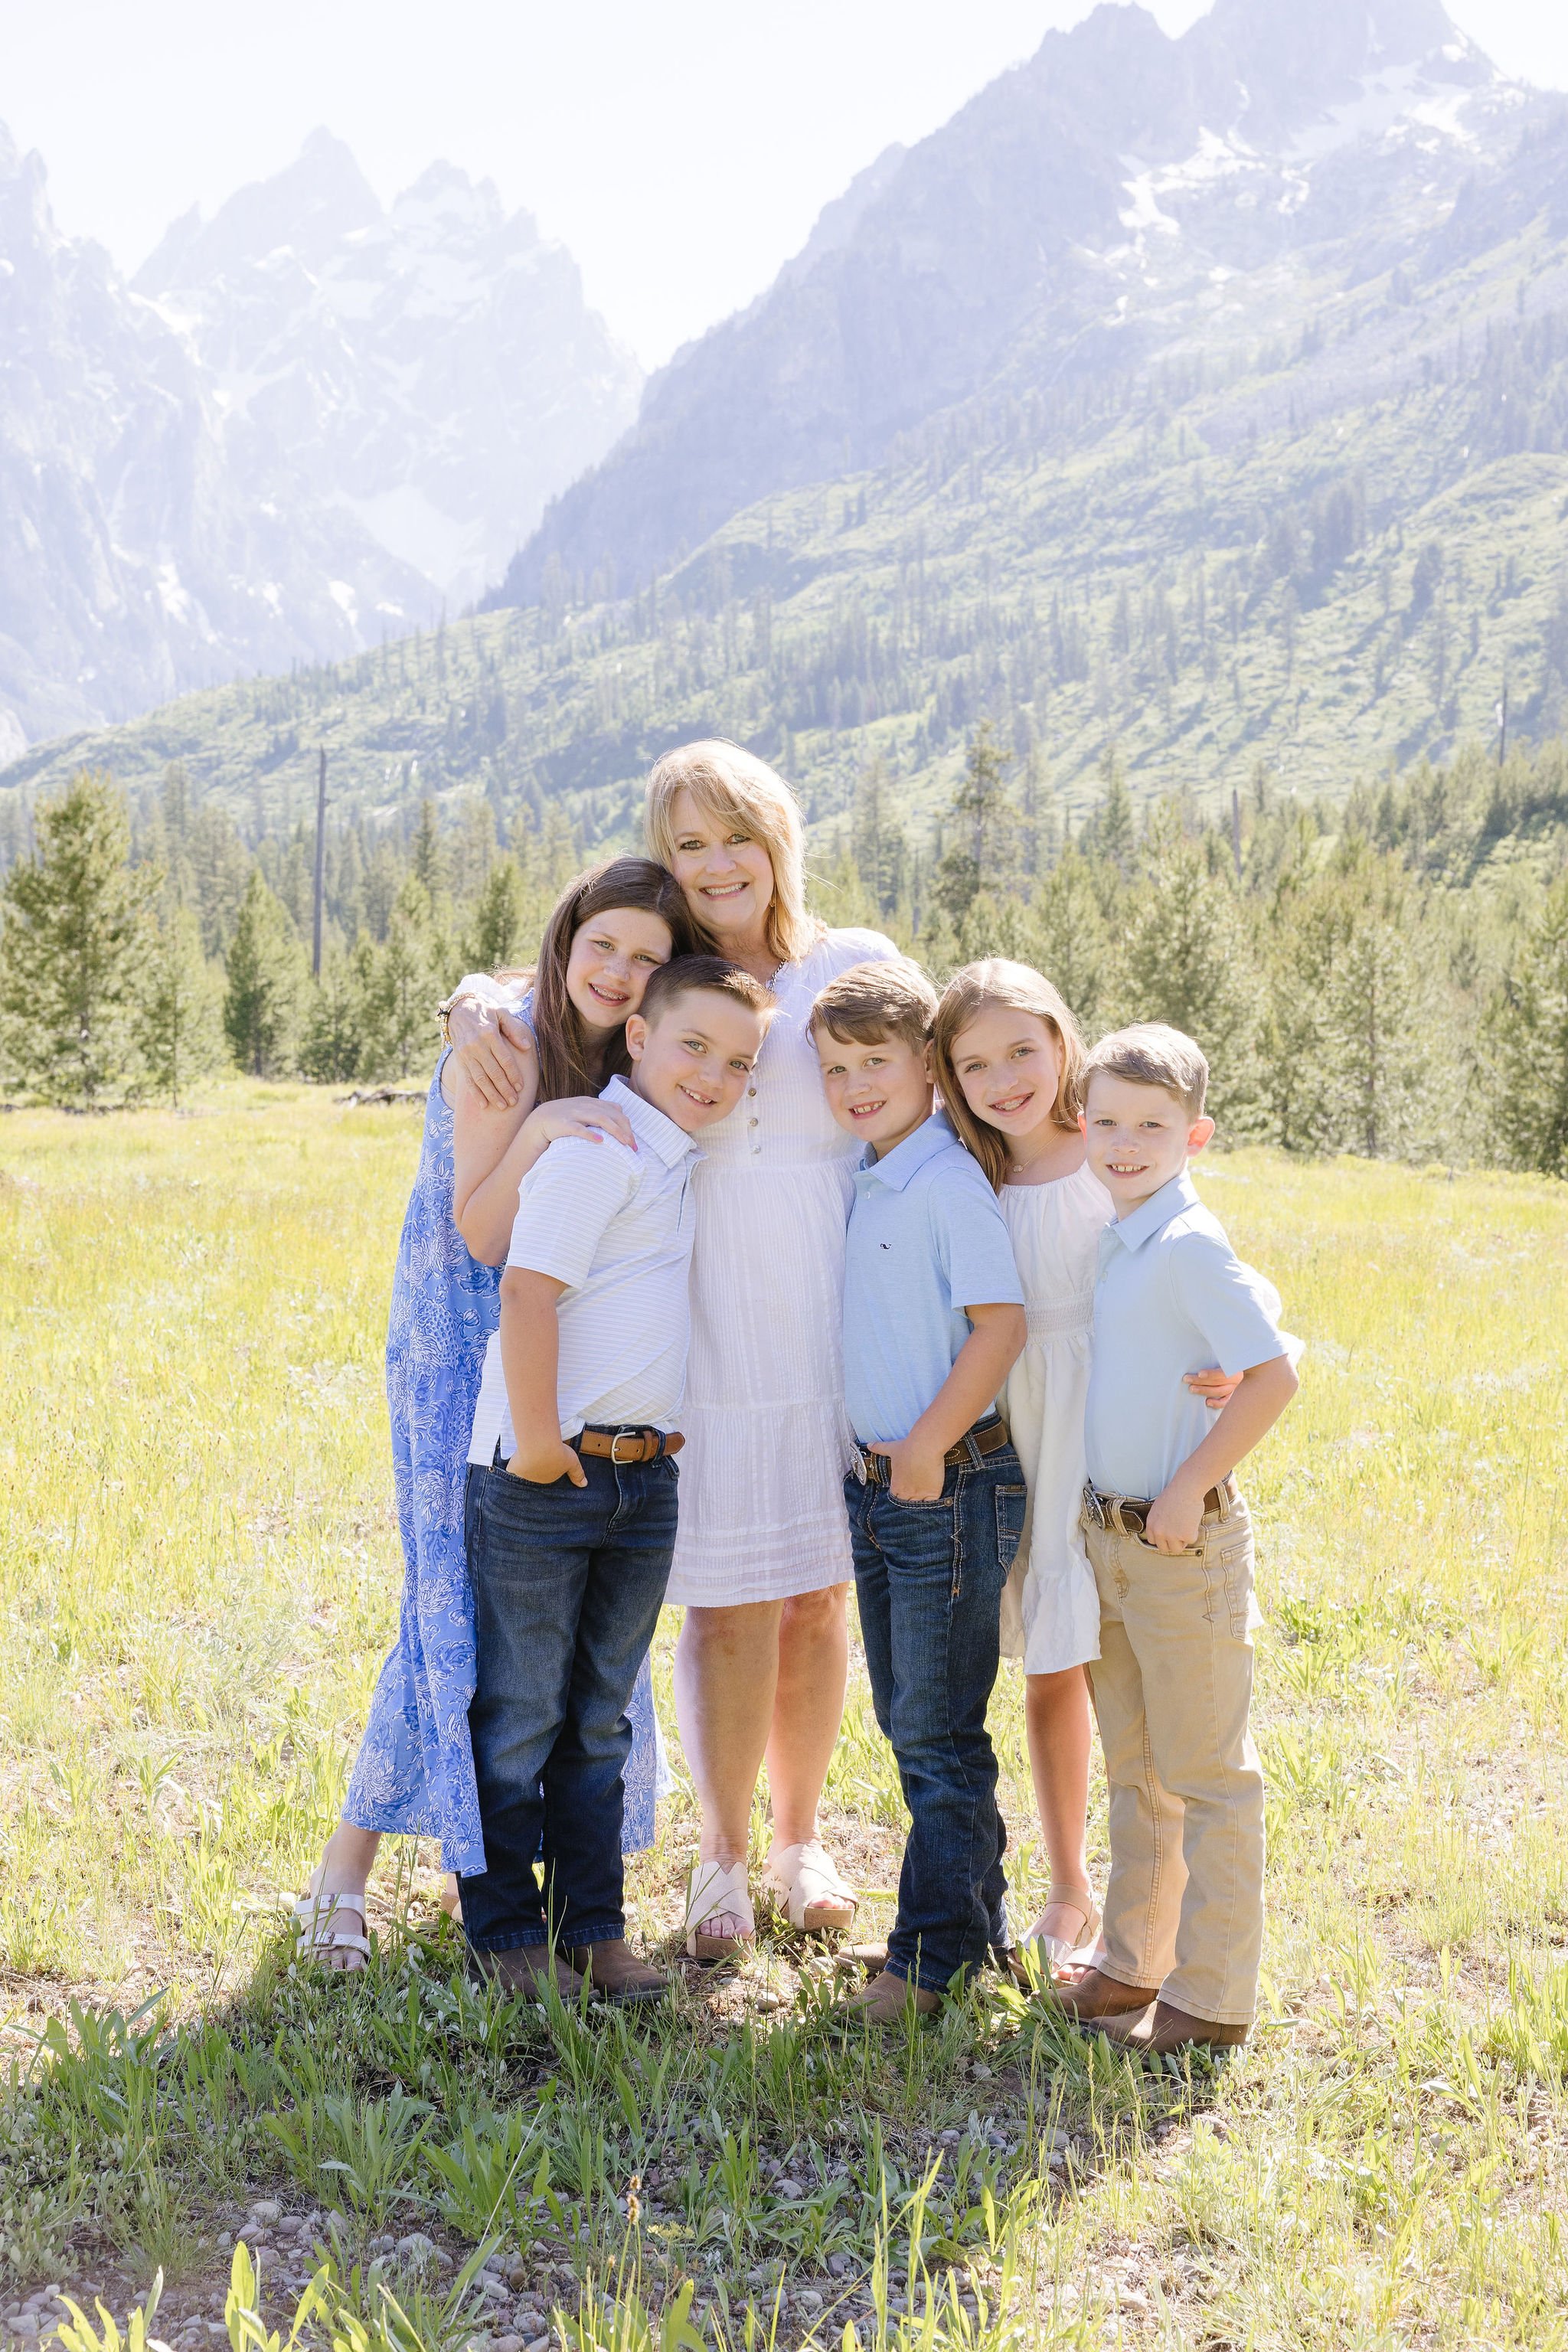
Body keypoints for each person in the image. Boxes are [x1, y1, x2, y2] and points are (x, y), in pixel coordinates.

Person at [450, 743, 900, 1960]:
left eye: (735, 838)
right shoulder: (669, 974)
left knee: (816, 1594)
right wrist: (476, 996)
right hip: (696, 1302)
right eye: (687, 842)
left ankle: (803, 1842)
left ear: (779, 842)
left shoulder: (847, 965)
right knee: (723, 1599)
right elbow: (569, 974)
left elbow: (956, 1060)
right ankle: (723, 1858)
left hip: (829, 1291)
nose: (714, 866)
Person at [292, 858, 690, 1969]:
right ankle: (345, 1871)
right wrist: (555, 1119)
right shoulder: (505, 1044)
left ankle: (575, 1896)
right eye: (603, 943)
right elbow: (480, 1234)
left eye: (648, 960)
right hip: (462, 1338)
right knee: (448, 1603)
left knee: (560, 1632)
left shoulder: (631, 1052)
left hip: (571, 1338)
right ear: (567, 933)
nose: (620, 973)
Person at [461, 956, 773, 2003]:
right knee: (520, 1714)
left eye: (738, 1062)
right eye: (693, 1046)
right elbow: (529, 1293)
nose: (714, 1074)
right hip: (547, 1475)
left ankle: (591, 1927)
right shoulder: (602, 1147)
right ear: (636, 1036)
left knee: (601, 1716)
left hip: (643, 1480)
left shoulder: (679, 1155)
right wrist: (545, 1445)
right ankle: (506, 1935)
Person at [933, 960, 1237, 1973]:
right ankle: (1068, 1886)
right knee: (1050, 1656)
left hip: (1104, 1417)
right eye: (974, 1062)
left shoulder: (1111, 1146)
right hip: (1013, 1424)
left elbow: (1190, 1262)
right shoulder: (962, 1165)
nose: (1005, 1076)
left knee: (1125, 1666)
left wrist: (1224, 1366)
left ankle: (1146, 1895)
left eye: (1024, 1047)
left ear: (1064, 1038)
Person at [1057, 1024, 1298, 2056]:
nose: (1124, 1142)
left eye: (1150, 1126)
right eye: (1106, 1121)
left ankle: (1209, 2000)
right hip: (1110, 1534)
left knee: (1207, 1775)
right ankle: (1129, 1967)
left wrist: (1189, 1487)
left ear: (1194, 1134)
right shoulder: (1122, 1233)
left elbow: (1276, 1373)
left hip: (1175, 1539)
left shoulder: (1188, 1241)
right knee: (1137, 1766)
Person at [809, 959, 1027, 2022]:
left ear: (929, 1071)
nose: (854, 1084)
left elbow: (1001, 1325)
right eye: (835, 1067)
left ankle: (928, 1965)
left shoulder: (942, 1183)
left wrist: (929, 1446)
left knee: (938, 1732)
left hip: (945, 1478)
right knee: (909, 1717)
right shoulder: (869, 1171)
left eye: (876, 1064)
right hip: (882, 1483)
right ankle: (977, 1922)